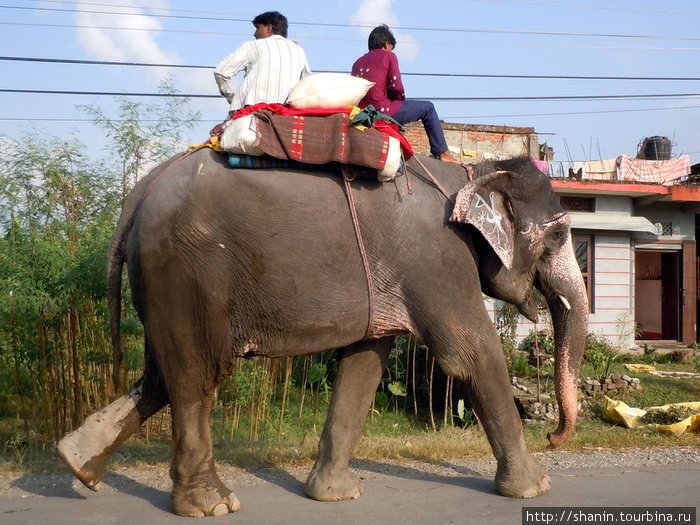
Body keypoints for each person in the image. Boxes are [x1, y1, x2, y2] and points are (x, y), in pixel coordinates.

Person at [351, 24, 460, 164]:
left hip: (364, 114)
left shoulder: (357, 63)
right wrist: (400, 99)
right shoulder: (389, 56)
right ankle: (443, 153)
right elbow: (396, 88)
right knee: (428, 108)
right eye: (391, 47)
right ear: (386, 44)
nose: (391, 50)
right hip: (383, 111)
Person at [214, 11, 311, 111]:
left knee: (221, 127)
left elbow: (221, 72)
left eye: (258, 28)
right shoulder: (299, 51)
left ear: (269, 28)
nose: (255, 34)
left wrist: (233, 99)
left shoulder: (251, 46)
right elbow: (308, 86)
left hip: (250, 110)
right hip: (287, 113)